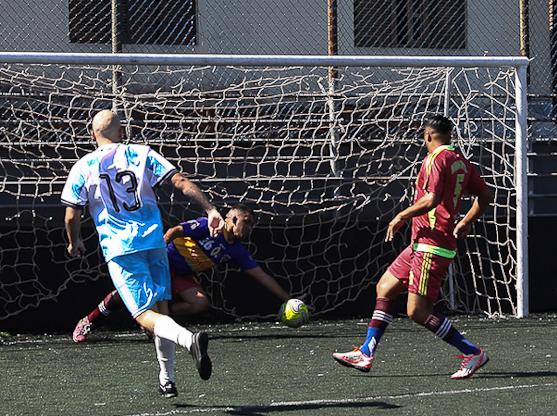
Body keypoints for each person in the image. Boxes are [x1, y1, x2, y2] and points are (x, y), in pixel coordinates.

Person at [62, 110, 219, 398]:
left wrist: (75, 241)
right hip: (154, 241)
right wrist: (210, 209)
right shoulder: (142, 153)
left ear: (91, 133)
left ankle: (189, 340)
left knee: (144, 315)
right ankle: (167, 378)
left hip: (121, 248)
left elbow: (72, 214)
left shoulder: (83, 166)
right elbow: (180, 182)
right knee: (161, 309)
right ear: (122, 133)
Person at [333, 114, 493, 379]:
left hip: (432, 245)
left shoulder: (434, 159)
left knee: (417, 312)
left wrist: (401, 215)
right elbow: (485, 196)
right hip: (421, 243)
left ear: (427, 135)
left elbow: (430, 200)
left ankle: (472, 352)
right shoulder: (461, 161)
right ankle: (366, 352)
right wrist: (466, 222)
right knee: (385, 286)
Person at [72, 205, 295, 341]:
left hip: (181, 275)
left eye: (251, 225)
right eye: (247, 222)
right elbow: (175, 230)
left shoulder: (237, 250)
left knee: (199, 303)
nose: (248, 228)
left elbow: (262, 277)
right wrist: (156, 254)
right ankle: (88, 321)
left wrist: (289, 299)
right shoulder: (210, 226)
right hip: (163, 262)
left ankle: (155, 322)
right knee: (123, 294)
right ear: (233, 218)